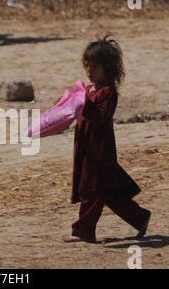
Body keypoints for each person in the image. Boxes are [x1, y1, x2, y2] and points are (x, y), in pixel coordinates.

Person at [63, 35, 151, 243]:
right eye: (87, 66)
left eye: (95, 66)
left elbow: (101, 116)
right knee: (110, 193)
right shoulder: (88, 90)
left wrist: (84, 102)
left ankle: (83, 231)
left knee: (91, 191)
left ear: (108, 68)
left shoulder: (108, 93)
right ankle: (140, 218)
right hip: (87, 149)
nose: (89, 71)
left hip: (99, 152)